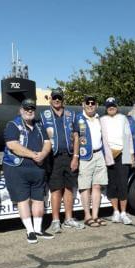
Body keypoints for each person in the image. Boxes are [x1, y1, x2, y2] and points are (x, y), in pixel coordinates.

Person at [3, 98, 53, 244]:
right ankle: (30, 231)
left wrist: (43, 154)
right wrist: (34, 155)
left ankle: (38, 229)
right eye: (26, 108)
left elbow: (47, 142)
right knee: (23, 200)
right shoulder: (13, 125)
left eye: (31, 109)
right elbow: (13, 145)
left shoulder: (39, 125)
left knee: (38, 199)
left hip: (37, 168)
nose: (29, 111)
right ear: (21, 110)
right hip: (18, 168)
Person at [40, 88, 82, 233]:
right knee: (56, 189)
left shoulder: (71, 114)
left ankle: (69, 219)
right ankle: (56, 220)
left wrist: (76, 157)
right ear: (50, 99)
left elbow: (76, 136)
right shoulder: (43, 115)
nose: (57, 100)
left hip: (69, 156)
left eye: (59, 98)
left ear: (63, 99)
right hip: (53, 157)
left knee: (69, 188)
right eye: (54, 97)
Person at [74, 95, 112, 227]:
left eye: (93, 103)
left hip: (99, 154)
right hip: (85, 156)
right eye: (88, 103)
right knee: (85, 186)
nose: (90, 105)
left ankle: (95, 215)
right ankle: (87, 215)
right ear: (83, 104)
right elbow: (76, 138)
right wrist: (75, 156)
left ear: (96, 105)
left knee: (97, 186)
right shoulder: (78, 118)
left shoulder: (99, 119)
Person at [100, 97, 134, 225]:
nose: (111, 107)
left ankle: (124, 213)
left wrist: (131, 154)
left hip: (123, 153)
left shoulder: (123, 118)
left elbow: (129, 136)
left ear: (116, 106)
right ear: (106, 108)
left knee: (122, 184)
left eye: (113, 105)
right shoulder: (102, 120)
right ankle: (116, 212)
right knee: (111, 185)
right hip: (109, 155)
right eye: (109, 106)